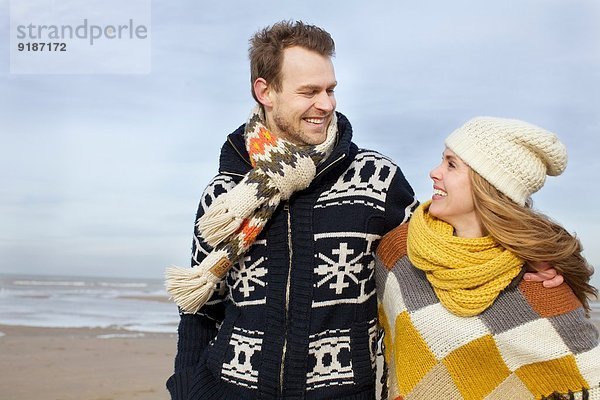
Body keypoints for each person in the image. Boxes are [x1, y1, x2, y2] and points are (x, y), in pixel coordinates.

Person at [165, 20, 417, 400]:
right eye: (309, 92)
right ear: (265, 91)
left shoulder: (377, 180)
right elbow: (201, 305)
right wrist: (187, 387)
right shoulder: (224, 195)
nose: (326, 104)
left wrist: (533, 264)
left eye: (331, 90)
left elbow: (438, 258)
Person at [375, 116, 600, 399]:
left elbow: (588, 379)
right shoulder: (399, 252)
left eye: (451, 164)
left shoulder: (537, 282)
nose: (434, 172)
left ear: (488, 186)